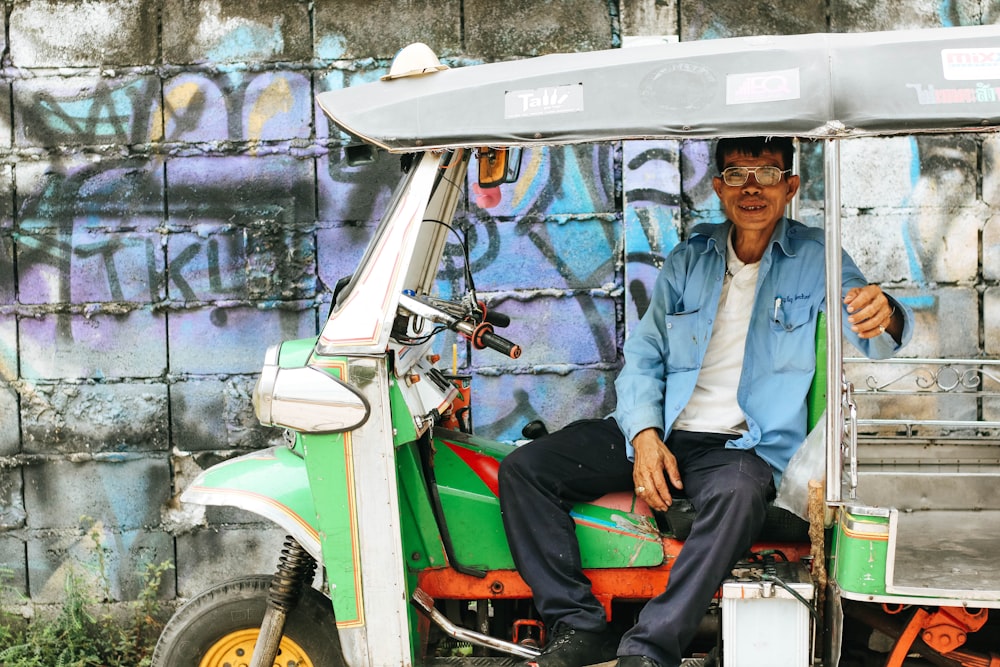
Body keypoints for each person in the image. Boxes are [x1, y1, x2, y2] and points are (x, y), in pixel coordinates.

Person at [497, 136, 912, 667]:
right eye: (737, 175)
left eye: (767, 173)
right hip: (663, 429)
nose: (752, 188)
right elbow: (644, 357)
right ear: (718, 187)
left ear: (791, 186)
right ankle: (577, 625)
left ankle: (649, 649)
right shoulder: (690, 258)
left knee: (740, 494)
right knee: (526, 468)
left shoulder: (819, 257)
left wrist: (886, 312)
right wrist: (644, 435)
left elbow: (874, 331)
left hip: (738, 446)